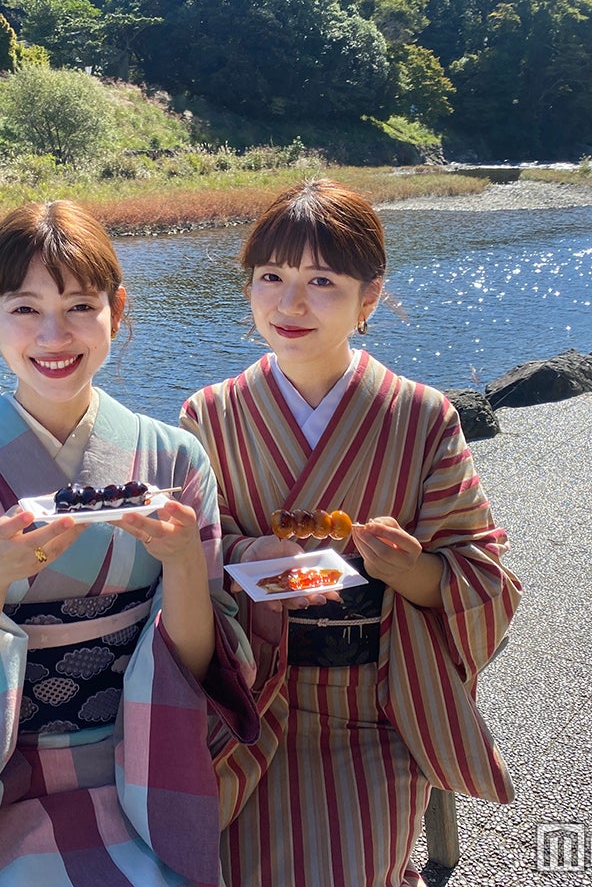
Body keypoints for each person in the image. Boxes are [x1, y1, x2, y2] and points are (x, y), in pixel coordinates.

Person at [0, 200, 258, 887]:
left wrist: (183, 560)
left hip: (145, 766)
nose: (54, 335)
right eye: (25, 308)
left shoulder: (175, 459)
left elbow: (200, 660)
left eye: (81, 306)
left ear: (117, 311)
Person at [179, 179, 521, 887]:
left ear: (369, 297)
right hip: (244, 705)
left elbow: (485, 575)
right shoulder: (209, 416)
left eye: (322, 280)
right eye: (271, 276)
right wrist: (249, 553)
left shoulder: (422, 418)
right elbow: (185, 560)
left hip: (375, 706)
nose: (290, 302)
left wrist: (407, 569)